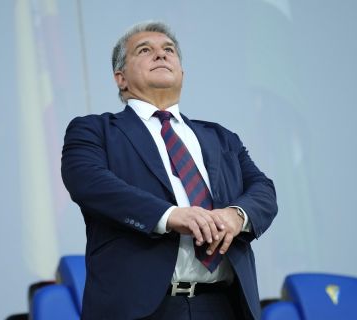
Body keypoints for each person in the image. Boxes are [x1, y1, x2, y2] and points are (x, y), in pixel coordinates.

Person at [61, 21, 277, 320]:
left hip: (225, 305)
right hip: (140, 308)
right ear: (120, 78)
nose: (161, 55)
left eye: (169, 50)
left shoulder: (221, 137)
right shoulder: (94, 130)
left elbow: (263, 189)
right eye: (145, 50)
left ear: (182, 73)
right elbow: (88, 182)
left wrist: (236, 215)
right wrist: (169, 216)